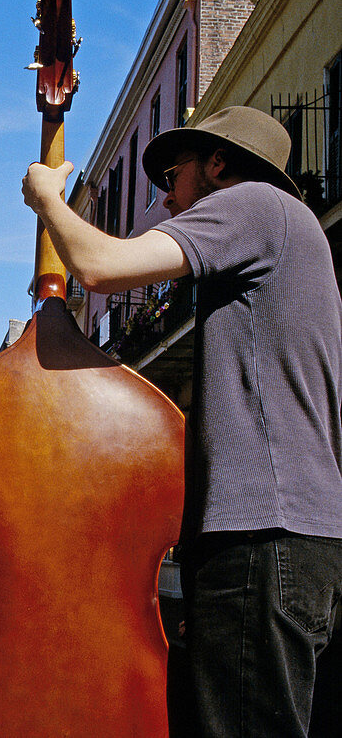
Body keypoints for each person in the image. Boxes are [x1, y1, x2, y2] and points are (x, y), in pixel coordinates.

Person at [22, 105, 342, 737]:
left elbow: (99, 268)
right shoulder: (302, 241)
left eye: (172, 174)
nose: (167, 198)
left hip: (259, 534)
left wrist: (48, 201)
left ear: (218, 165)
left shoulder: (253, 203)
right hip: (303, 540)